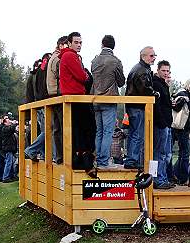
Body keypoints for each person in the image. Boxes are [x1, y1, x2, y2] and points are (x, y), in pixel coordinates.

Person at [59, 32, 96, 169]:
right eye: (76, 42)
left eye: (80, 42)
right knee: (88, 128)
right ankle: (84, 160)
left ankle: (79, 158)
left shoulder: (68, 55)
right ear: (69, 43)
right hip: (76, 97)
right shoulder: (70, 55)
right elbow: (82, 76)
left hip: (74, 97)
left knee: (78, 130)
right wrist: (86, 75)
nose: (79, 45)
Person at [91, 34, 125, 168]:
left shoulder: (95, 60)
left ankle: (98, 159)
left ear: (102, 44)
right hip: (109, 100)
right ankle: (103, 161)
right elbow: (121, 82)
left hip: (95, 99)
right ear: (113, 46)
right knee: (107, 132)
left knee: (99, 131)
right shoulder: (115, 61)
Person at [124, 46, 157, 169]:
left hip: (135, 105)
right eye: (151, 56)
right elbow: (145, 89)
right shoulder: (142, 70)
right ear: (143, 56)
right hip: (137, 106)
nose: (153, 58)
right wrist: (155, 93)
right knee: (137, 134)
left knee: (135, 133)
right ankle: (131, 160)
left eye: (154, 56)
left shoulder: (140, 68)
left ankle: (132, 159)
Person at [152, 60, 175, 189]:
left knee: (165, 154)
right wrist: (162, 122)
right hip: (160, 124)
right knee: (158, 153)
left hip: (166, 123)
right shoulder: (156, 84)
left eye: (168, 71)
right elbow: (157, 106)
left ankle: (163, 177)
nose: (166, 73)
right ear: (158, 70)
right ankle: (157, 179)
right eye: (164, 71)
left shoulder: (163, 84)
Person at [46, 35, 68, 163]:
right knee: (63, 127)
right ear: (61, 46)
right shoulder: (58, 59)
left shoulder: (52, 57)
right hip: (59, 95)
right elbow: (63, 76)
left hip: (52, 94)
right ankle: (63, 157)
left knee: (57, 128)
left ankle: (59, 157)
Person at [172, 79, 190, 185]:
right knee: (184, 153)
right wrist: (186, 100)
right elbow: (177, 107)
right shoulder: (184, 95)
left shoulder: (186, 95)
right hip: (181, 127)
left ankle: (177, 175)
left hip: (181, 127)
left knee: (182, 153)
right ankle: (182, 177)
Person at [1, 116, 19, 182]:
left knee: (11, 163)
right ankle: (5, 177)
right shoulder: (5, 128)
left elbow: (12, 130)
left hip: (10, 148)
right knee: (8, 163)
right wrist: (14, 123)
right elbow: (11, 129)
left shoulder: (6, 128)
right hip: (8, 148)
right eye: (8, 121)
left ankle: (11, 176)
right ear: (5, 123)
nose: (10, 122)